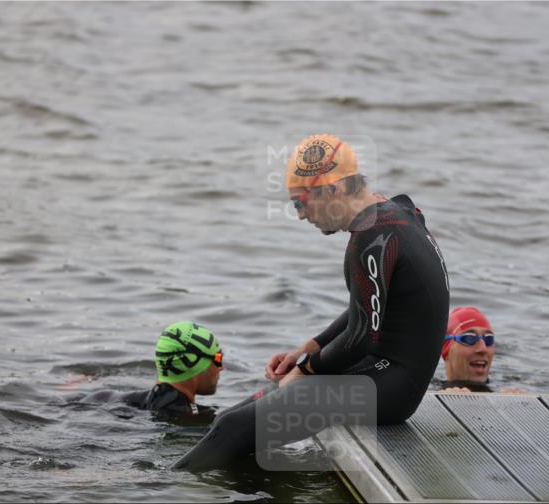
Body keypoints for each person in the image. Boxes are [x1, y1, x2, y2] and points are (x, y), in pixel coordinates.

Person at [174, 134, 450, 470]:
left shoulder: (370, 238)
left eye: (300, 203)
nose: (302, 216)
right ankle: (228, 490)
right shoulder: (395, 213)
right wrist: (307, 348)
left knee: (234, 427)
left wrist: (308, 369)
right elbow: (368, 311)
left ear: (332, 189)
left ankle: (164, 493)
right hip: (384, 373)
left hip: (390, 388)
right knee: (234, 417)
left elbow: (363, 336)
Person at [121, 321, 223, 418]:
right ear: (194, 364)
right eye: (218, 358)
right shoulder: (197, 417)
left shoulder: (125, 400)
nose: (222, 367)